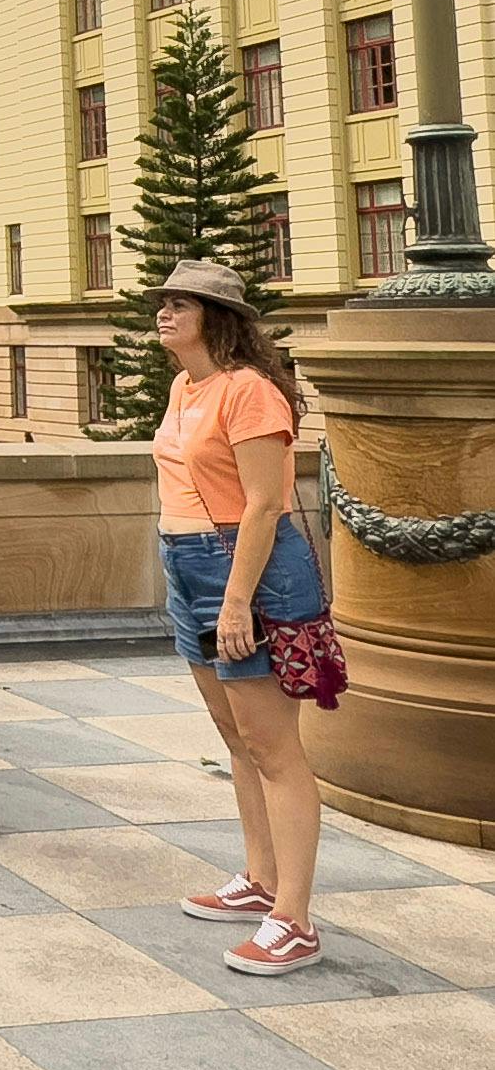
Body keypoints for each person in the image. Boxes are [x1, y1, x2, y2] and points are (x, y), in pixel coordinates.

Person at [150, 258, 329, 975]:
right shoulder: (184, 385)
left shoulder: (249, 391)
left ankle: (295, 917)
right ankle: (259, 879)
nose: (163, 313)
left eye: (180, 304)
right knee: (235, 732)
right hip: (187, 561)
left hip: (242, 567)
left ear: (216, 318)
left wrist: (235, 600)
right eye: (161, 302)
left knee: (274, 746)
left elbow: (264, 502)